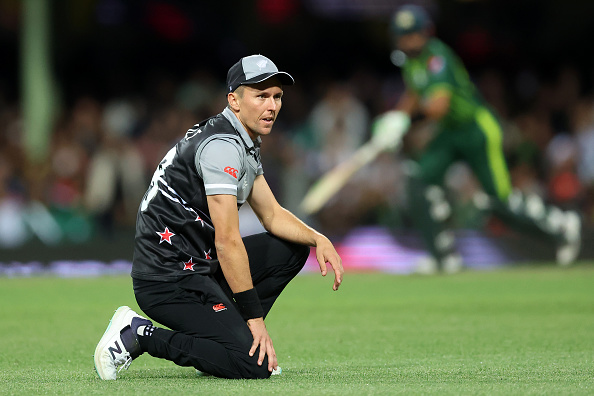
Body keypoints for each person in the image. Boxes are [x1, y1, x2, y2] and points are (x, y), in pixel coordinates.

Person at [94, 54, 344, 380]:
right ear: (234, 100)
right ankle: (139, 335)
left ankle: (227, 343)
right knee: (253, 366)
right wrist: (255, 323)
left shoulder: (243, 138)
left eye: (277, 96)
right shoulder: (223, 147)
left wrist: (318, 238)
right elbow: (227, 240)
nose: (272, 106)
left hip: (198, 267)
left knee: (291, 247)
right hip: (167, 280)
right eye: (261, 95)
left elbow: (270, 214)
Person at [371, 5, 581, 273]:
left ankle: (561, 226)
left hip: (477, 129)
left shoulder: (437, 58)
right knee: (418, 179)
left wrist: (404, 122)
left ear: (426, 33)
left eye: (411, 34)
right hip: (451, 132)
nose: (406, 40)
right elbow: (414, 93)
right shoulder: (410, 61)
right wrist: (395, 119)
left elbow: (439, 105)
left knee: (498, 203)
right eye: (402, 34)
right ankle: (442, 257)